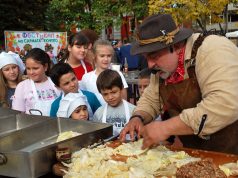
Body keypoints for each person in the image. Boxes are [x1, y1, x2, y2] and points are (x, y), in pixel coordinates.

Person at [120, 14, 238, 155]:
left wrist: (165, 128)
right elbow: (151, 99)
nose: (150, 64)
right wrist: (137, 117)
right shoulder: (162, 69)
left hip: (232, 153)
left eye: (154, 55)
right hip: (197, 154)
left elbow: (225, 104)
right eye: (146, 58)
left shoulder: (212, 49)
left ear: (176, 45)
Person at [12, 48, 61, 116]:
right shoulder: (22, 86)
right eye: (28, 68)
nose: (31, 72)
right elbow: (18, 115)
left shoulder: (55, 81)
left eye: (35, 68)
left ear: (45, 67)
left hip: (57, 125)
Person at [80, 39, 128, 105]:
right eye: (102, 56)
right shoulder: (86, 78)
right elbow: (84, 100)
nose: (106, 59)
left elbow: (124, 99)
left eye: (109, 56)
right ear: (94, 56)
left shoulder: (118, 74)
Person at [93, 69, 135, 135]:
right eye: (105, 94)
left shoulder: (133, 110)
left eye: (114, 92)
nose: (110, 97)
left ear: (121, 88)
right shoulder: (99, 114)